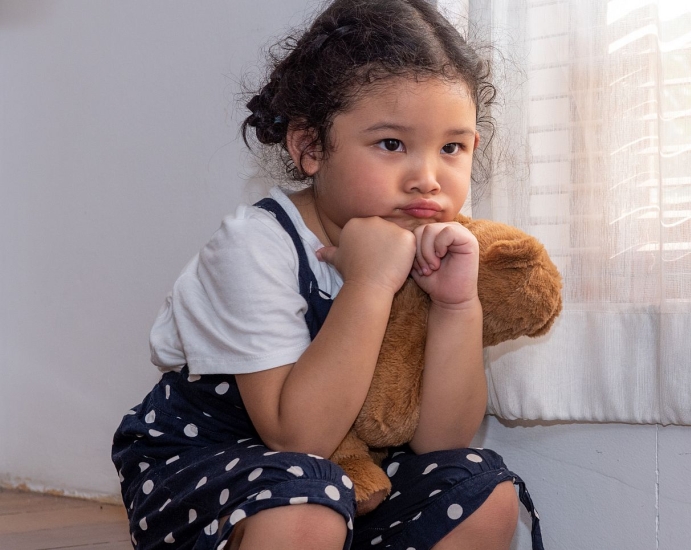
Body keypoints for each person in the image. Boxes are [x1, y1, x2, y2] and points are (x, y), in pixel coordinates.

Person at [110, 1, 543, 548]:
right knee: (306, 499)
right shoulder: (256, 246)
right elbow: (299, 438)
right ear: (310, 147)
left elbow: (442, 441)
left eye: (451, 147)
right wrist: (368, 284)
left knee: (482, 489)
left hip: (352, 482)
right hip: (215, 471)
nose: (428, 179)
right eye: (392, 144)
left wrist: (457, 305)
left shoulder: (434, 244)